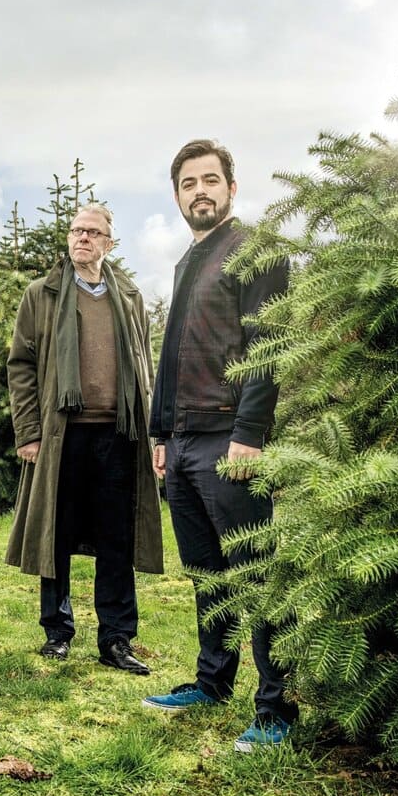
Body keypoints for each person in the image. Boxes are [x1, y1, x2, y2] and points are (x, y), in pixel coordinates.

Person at [140, 139, 296, 751]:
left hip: (230, 441)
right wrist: (161, 432)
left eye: (209, 180)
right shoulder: (188, 261)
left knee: (254, 575)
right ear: (177, 196)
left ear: (231, 187)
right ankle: (212, 683)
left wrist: (249, 434)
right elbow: (172, 353)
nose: (199, 191)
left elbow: (269, 346)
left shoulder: (256, 250)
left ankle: (276, 709)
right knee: (207, 574)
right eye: (188, 183)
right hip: (182, 443)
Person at [5, 202, 164, 673]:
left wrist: (155, 432)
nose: (82, 238)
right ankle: (57, 632)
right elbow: (21, 367)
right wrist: (28, 432)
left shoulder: (129, 296)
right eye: (77, 231)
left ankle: (116, 639)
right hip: (62, 436)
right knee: (55, 534)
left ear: (109, 243)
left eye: (93, 232)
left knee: (117, 539)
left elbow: (146, 367)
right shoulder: (42, 294)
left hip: (119, 435)